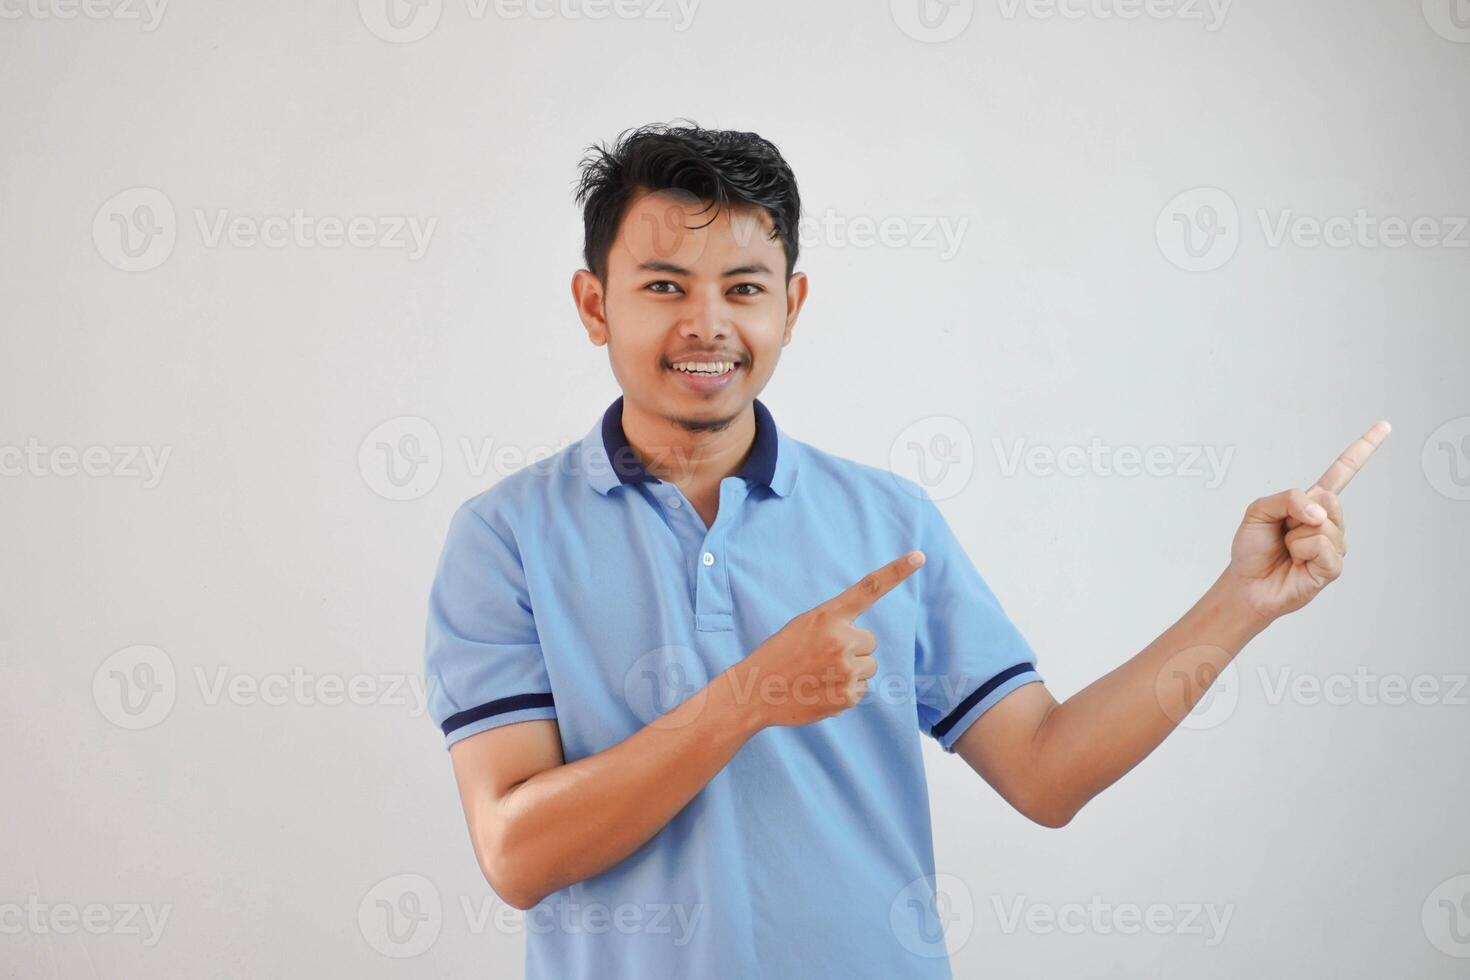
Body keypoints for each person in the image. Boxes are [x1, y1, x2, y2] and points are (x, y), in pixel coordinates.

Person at [422, 121, 1388, 979]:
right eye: (664, 286)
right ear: (596, 306)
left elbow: (1047, 773)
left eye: (743, 288)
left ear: (791, 307)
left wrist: (1243, 600)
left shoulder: (889, 522)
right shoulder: (507, 536)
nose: (707, 323)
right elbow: (516, 854)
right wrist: (752, 696)